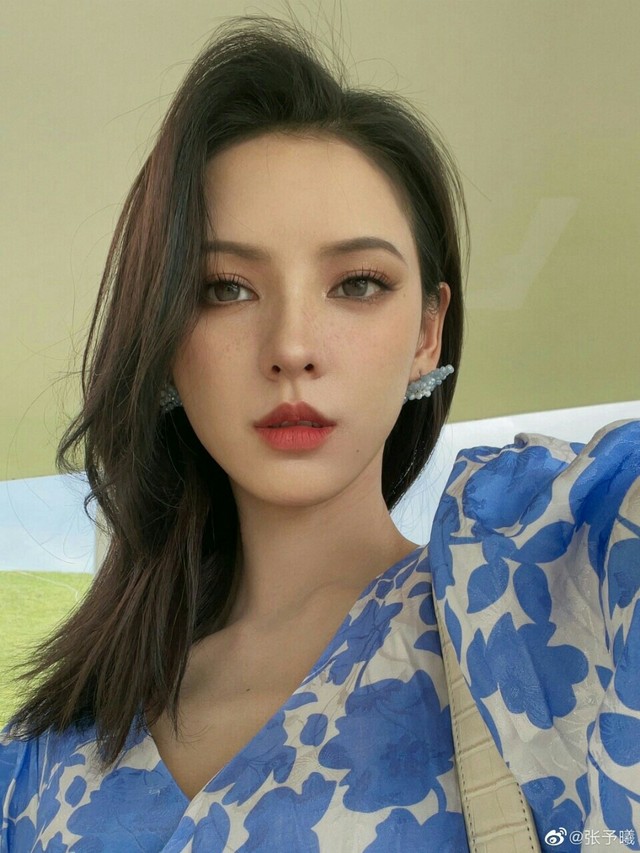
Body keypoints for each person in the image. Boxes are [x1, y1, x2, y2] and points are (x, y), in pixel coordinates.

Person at [1, 16, 638, 853]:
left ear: (428, 332)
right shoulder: (38, 761)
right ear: (164, 341)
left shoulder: (533, 595)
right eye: (225, 288)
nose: (292, 346)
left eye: (358, 283)